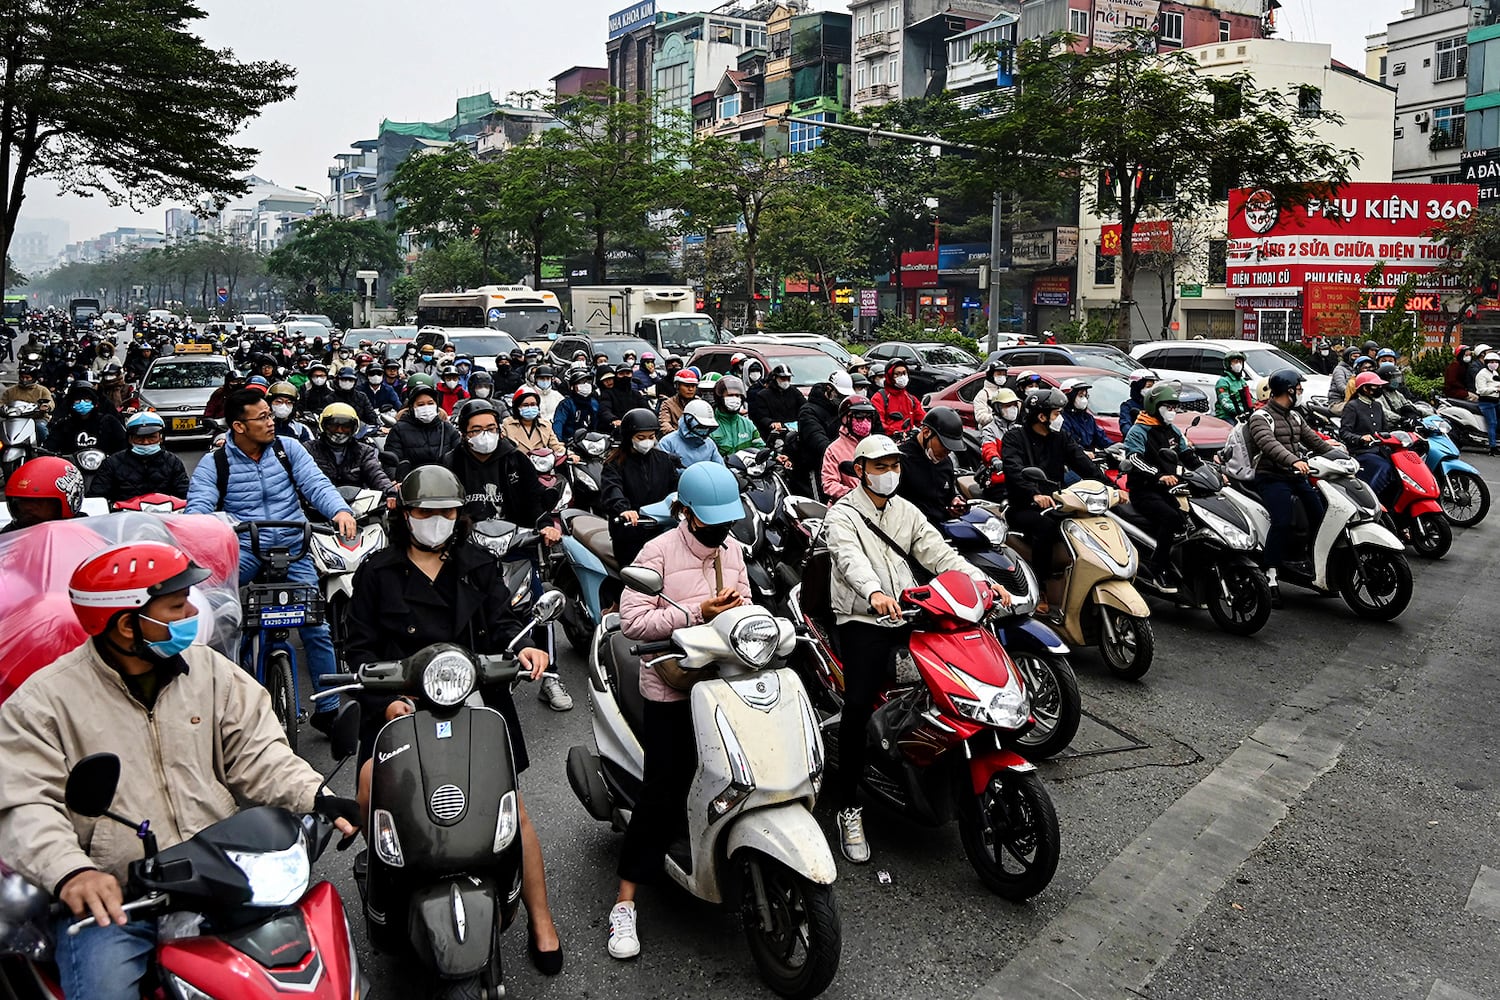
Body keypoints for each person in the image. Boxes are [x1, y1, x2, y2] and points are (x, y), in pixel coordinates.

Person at [0, 541, 360, 1000]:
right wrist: (73, 872)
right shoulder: (44, 703)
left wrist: (317, 796)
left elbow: (259, 753)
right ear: (128, 624)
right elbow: (25, 803)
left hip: (221, 875)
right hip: (118, 899)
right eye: (177, 605)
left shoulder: (211, 672)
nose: (192, 611)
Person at [341, 468, 564, 975]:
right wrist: (387, 702)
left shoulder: (478, 563)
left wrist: (523, 646)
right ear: (404, 512)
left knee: (514, 814)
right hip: (401, 706)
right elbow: (359, 649)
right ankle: (386, 896)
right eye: (424, 511)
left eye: (446, 512)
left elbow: (504, 624)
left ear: (460, 515)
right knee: (369, 792)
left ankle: (541, 921)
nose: (436, 521)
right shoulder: (376, 572)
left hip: (475, 703)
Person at [821, 435, 1007, 863]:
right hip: (864, 618)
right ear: (862, 470)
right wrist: (873, 594)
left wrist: (980, 581)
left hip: (910, 613)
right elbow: (851, 562)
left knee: (949, 683)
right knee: (857, 706)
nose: (890, 472)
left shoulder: (905, 510)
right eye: (881, 465)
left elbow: (939, 553)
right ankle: (849, 806)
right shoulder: (842, 516)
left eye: (895, 465)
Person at [606, 461, 751, 960]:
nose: (720, 531)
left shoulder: (731, 550)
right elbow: (632, 623)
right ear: (684, 512)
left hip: (726, 683)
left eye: (726, 521)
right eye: (711, 521)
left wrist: (736, 610)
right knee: (663, 789)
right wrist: (698, 612)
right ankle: (625, 900)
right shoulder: (657, 551)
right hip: (672, 687)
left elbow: (746, 602)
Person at [184, 389, 357, 730]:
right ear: (238, 426)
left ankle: (329, 707)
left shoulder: (288, 449)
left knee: (316, 627)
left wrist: (340, 510)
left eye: (270, 414)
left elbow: (316, 484)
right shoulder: (215, 463)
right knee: (223, 623)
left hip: (293, 551)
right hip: (244, 554)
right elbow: (199, 507)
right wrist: (197, 535)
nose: (270, 421)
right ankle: (224, 704)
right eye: (261, 417)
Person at [1001, 388, 1105, 613]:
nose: (1061, 418)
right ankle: (1039, 588)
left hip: (1057, 503)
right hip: (1023, 505)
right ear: (1041, 416)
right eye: (1057, 413)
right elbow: (1014, 469)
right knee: (1045, 528)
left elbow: (1082, 462)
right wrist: (1034, 493)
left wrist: (1110, 487)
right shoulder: (1015, 437)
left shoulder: (1061, 438)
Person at [1247, 370, 1337, 604]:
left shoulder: (1295, 416)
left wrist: (1338, 453)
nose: (1301, 392)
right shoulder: (1261, 417)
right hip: (1271, 476)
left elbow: (1314, 440)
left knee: (1319, 514)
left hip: (1296, 475)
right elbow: (1269, 445)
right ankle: (1271, 573)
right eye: (1298, 388)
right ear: (1288, 390)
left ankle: (1311, 564)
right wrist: (1294, 460)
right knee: (1282, 521)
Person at [1123, 384, 1202, 594]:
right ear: (1154, 406)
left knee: (1194, 522)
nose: (1172, 411)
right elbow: (1134, 459)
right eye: (1168, 406)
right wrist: (1159, 476)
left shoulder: (1172, 430)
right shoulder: (1138, 431)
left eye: (1174, 407)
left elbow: (1188, 455)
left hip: (1172, 489)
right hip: (1145, 491)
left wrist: (1209, 472)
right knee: (1171, 518)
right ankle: (1157, 570)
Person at [601, 408, 682, 569]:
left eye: (651, 437)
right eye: (641, 437)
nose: (647, 441)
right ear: (628, 437)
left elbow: (677, 487)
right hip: (630, 534)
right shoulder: (614, 464)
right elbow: (612, 490)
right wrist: (624, 510)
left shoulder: (664, 460)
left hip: (664, 530)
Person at [89, 411, 190, 505]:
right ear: (130, 439)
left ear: (161, 438)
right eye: (139, 438)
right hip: (125, 518)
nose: (146, 442)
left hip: (164, 517)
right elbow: (96, 497)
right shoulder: (112, 464)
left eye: (152, 437)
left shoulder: (172, 462)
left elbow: (185, 495)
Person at [897, 407, 967, 525]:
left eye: (950, 449)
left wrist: (954, 502)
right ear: (926, 432)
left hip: (943, 530)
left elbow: (949, 495)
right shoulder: (900, 460)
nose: (947, 452)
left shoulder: (946, 462)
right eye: (944, 446)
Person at [307, 402, 395, 493]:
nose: (339, 431)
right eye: (333, 425)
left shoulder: (364, 451)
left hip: (356, 503)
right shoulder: (308, 450)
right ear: (323, 426)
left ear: (354, 428)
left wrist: (389, 492)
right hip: (316, 503)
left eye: (346, 426)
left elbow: (376, 474)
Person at [1337, 370, 1398, 498]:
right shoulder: (1352, 406)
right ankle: (1370, 498)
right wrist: (1360, 439)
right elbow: (1344, 433)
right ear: (1365, 388)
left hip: (1380, 451)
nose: (1380, 389)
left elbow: (1385, 430)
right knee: (1384, 467)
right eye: (1376, 386)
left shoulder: (1377, 406)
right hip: (1361, 452)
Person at [386, 382, 461, 471]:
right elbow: (390, 464)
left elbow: (460, 460)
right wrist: (396, 479)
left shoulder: (448, 429)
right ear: (411, 408)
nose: (426, 408)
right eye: (421, 405)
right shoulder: (398, 430)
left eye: (430, 403)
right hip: (411, 481)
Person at [2, 456, 84, 533]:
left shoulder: (84, 535)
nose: (27, 507)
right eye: (21, 501)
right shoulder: (7, 538)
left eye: (36, 501)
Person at [47, 382, 127, 456]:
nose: (82, 403)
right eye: (77, 400)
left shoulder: (108, 421)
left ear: (94, 403)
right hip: (71, 467)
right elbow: (50, 447)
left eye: (87, 400)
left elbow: (123, 445)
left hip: (105, 467)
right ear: (71, 404)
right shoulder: (64, 425)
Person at [822, 394, 875, 501]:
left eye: (868, 417)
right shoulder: (833, 450)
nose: (865, 421)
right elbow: (829, 483)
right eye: (859, 416)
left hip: (877, 504)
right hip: (847, 507)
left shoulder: (876, 444)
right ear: (845, 418)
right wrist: (852, 494)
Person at [977, 387, 1021, 500]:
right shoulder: (990, 429)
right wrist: (995, 459)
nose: (1012, 409)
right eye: (1008, 405)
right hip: (999, 480)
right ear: (997, 408)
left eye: (1014, 405)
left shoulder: (1019, 429)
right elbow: (988, 446)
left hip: (1020, 478)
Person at [656, 398, 723, 469]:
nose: (703, 430)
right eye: (700, 426)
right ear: (688, 421)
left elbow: (721, 469)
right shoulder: (667, 443)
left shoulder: (710, 444)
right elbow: (661, 471)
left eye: (706, 427)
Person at [707, 375, 764, 457]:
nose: (734, 399)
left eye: (737, 396)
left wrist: (775, 456)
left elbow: (760, 447)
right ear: (719, 398)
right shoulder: (709, 424)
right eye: (730, 395)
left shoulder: (748, 424)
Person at [503, 386, 567, 457]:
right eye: (525, 405)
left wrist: (568, 454)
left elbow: (556, 446)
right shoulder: (507, 425)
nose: (530, 408)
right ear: (517, 407)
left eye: (533, 404)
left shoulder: (545, 425)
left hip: (541, 464)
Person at [748, 363, 804, 443]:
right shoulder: (763, 395)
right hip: (774, 434)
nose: (786, 381)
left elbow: (804, 406)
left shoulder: (794, 391)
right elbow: (760, 416)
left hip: (795, 432)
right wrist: (771, 423)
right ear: (775, 377)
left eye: (788, 378)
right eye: (783, 378)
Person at [871, 359, 925, 439]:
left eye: (904, 373)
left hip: (909, 441)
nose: (902, 377)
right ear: (890, 376)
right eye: (897, 374)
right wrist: (894, 432)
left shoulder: (911, 399)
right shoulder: (879, 398)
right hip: (888, 441)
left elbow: (922, 419)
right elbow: (878, 424)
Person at [1, 362, 54, 442]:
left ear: (33, 378)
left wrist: (46, 406)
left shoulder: (42, 390)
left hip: (36, 419)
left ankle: (44, 447)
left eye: (27, 377)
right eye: (22, 377)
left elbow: (50, 402)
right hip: (14, 419)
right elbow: (2, 402)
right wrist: (2, 408)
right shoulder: (10, 391)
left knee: (40, 428)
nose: (24, 380)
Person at [1059, 379, 1112, 456]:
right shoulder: (1062, 419)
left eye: (1085, 395)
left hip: (1091, 460)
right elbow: (1068, 443)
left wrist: (1114, 446)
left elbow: (1101, 438)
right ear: (1069, 397)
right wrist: (1082, 452)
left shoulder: (1088, 418)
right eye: (1080, 396)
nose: (1084, 399)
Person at [553, 366, 599, 440]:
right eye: (581, 382)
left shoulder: (594, 403)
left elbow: (597, 423)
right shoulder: (566, 404)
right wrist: (559, 442)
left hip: (590, 442)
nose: (586, 385)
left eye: (588, 382)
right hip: (570, 442)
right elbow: (558, 423)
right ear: (572, 387)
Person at [600, 363, 648, 432]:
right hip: (616, 430)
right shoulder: (608, 393)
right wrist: (613, 419)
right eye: (621, 374)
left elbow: (646, 410)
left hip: (636, 429)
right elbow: (604, 410)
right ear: (616, 376)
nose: (625, 376)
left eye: (628, 373)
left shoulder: (636, 394)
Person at [656, 368, 699, 435]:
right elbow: (664, 423)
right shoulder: (668, 404)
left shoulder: (700, 403)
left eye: (693, 386)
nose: (690, 389)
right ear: (677, 386)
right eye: (686, 386)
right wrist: (678, 436)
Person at [1214, 351, 1253, 421]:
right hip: (1226, 416)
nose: (1238, 364)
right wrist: (1243, 409)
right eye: (1235, 362)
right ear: (1228, 364)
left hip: (1242, 413)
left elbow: (1249, 398)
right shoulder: (1223, 382)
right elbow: (1226, 403)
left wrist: (1259, 405)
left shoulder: (1242, 381)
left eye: (1240, 362)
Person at [971, 361, 1009, 429]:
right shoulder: (983, 394)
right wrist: (997, 415)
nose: (1002, 376)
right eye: (999, 374)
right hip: (989, 432)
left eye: (1004, 374)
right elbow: (980, 417)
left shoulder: (1003, 391)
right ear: (990, 375)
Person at [1119, 369, 1158, 435]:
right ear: (1137, 386)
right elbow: (1125, 426)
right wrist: (1137, 435)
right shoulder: (1127, 406)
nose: (1150, 390)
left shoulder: (1155, 405)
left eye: (1152, 387)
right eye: (1148, 386)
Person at [1476, 351, 1500, 455]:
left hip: (1496, 401)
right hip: (1486, 402)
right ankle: (1492, 447)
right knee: (1492, 423)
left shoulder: (1495, 373)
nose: (1494, 363)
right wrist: (1495, 389)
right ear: (1486, 363)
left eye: (1496, 361)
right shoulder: (1482, 374)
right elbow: (1481, 390)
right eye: (1491, 361)